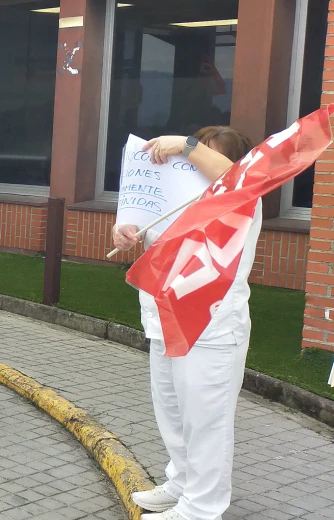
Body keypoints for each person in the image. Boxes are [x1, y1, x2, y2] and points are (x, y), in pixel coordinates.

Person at [112, 126, 256, 520]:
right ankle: (182, 482)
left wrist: (187, 146)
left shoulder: (241, 197)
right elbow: (142, 229)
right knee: (172, 412)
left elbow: (230, 174)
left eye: (207, 156)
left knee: (205, 419)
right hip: (163, 320)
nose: (192, 164)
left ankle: (202, 507)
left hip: (211, 328)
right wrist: (125, 231)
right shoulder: (180, 199)